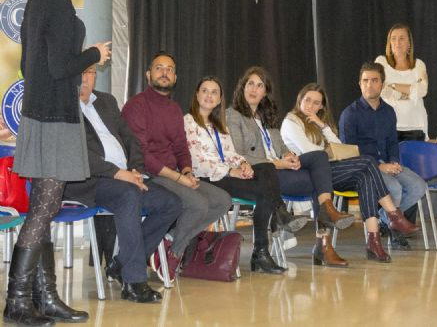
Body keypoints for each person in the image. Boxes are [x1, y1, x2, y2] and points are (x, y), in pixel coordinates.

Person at [5, 0, 111, 326]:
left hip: (38, 115)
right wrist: (94, 53)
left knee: (42, 209)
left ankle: (45, 297)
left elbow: (28, 66)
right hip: (55, 118)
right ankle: (17, 302)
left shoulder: (36, 2)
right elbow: (61, 66)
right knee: (45, 209)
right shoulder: (59, 2)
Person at [65, 65, 181, 302]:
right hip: (89, 180)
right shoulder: (63, 106)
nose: (85, 78)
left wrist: (135, 169)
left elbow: (131, 139)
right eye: (81, 71)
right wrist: (118, 173)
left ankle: (121, 264)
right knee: (129, 195)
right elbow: (75, 152)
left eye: (90, 72)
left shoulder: (106, 101)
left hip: (126, 177)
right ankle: (134, 282)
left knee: (171, 203)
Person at [226, 67, 355, 266]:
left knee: (319, 160)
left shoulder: (265, 115)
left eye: (260, 85)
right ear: (242, 87)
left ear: (265, 92)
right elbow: (238, 154)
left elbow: (280, 146)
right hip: (258, 173)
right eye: (250, 84)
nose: (254, 89)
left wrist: (289, 155)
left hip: (279, 170)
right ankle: (324, 241)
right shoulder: (233, 115)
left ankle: (325, 221)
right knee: (319, 181)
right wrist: (279, 163)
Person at [122, 52, 231, 283]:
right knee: (198, 204)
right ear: (148, 75)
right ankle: (175, 254)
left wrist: (187, 171)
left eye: (169, 69)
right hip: (149, 175)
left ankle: (170, 239)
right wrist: (178, 178)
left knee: (223, 200)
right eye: (159, 68)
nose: (164, 73)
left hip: (173, 175)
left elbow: (182, 148)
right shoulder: (136, 106)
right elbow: (141, 155)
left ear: (175, 77)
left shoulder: (173, 109)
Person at [282, 83, 420, 262]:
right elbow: (310, 151)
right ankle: (393, 215)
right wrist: (330, 152)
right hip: (308, 174)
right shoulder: (291, 121)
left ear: (321, 106)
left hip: (327, 171)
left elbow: (340, 146)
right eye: (307, 100)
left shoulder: (315, 123)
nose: (310, 106)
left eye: (316, 103)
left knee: (365, 177)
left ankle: (374, 243)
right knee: (368, 161)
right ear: (300, 99)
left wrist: (323, 126)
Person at [185, 76, 308, 273]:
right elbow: (197, 161)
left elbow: (230, 153)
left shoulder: (219, 125)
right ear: (197, 95)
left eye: (214, 92)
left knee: (266, 170)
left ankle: (263, 247)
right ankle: (271, 232)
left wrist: (242, 164)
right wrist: (231, 170)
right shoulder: (188, 122)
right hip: (207, 179)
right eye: (205, 91)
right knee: (266, 190)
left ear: (219, 99)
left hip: (227, 175)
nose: (209, 95)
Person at [339, 62, 424, 250]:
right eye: (365, 81)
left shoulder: (388, 111)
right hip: (364, 168)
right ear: (359, 84)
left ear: (382, 84)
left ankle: (385, 219)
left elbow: (393, 142)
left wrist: (394, 162)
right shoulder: (350, 114)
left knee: (419, 186)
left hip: (387, 163)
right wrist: (379, 166)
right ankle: (395, 234)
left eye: (374, 80)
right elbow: (349, 152)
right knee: (395, 188)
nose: (369, 85)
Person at [375, 23, 430, 225]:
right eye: (394, 38)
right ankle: (387, 222)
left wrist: (394, 86)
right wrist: (409, 91)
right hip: (389, 130)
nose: (397, 42)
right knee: (392, 180)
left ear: (409, 43)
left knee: (413, 180)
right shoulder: (381, 62)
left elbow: (422, 90)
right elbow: (381, 90)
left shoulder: (419, 64)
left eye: (402, 38)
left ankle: (405, 224)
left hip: (415, 128)